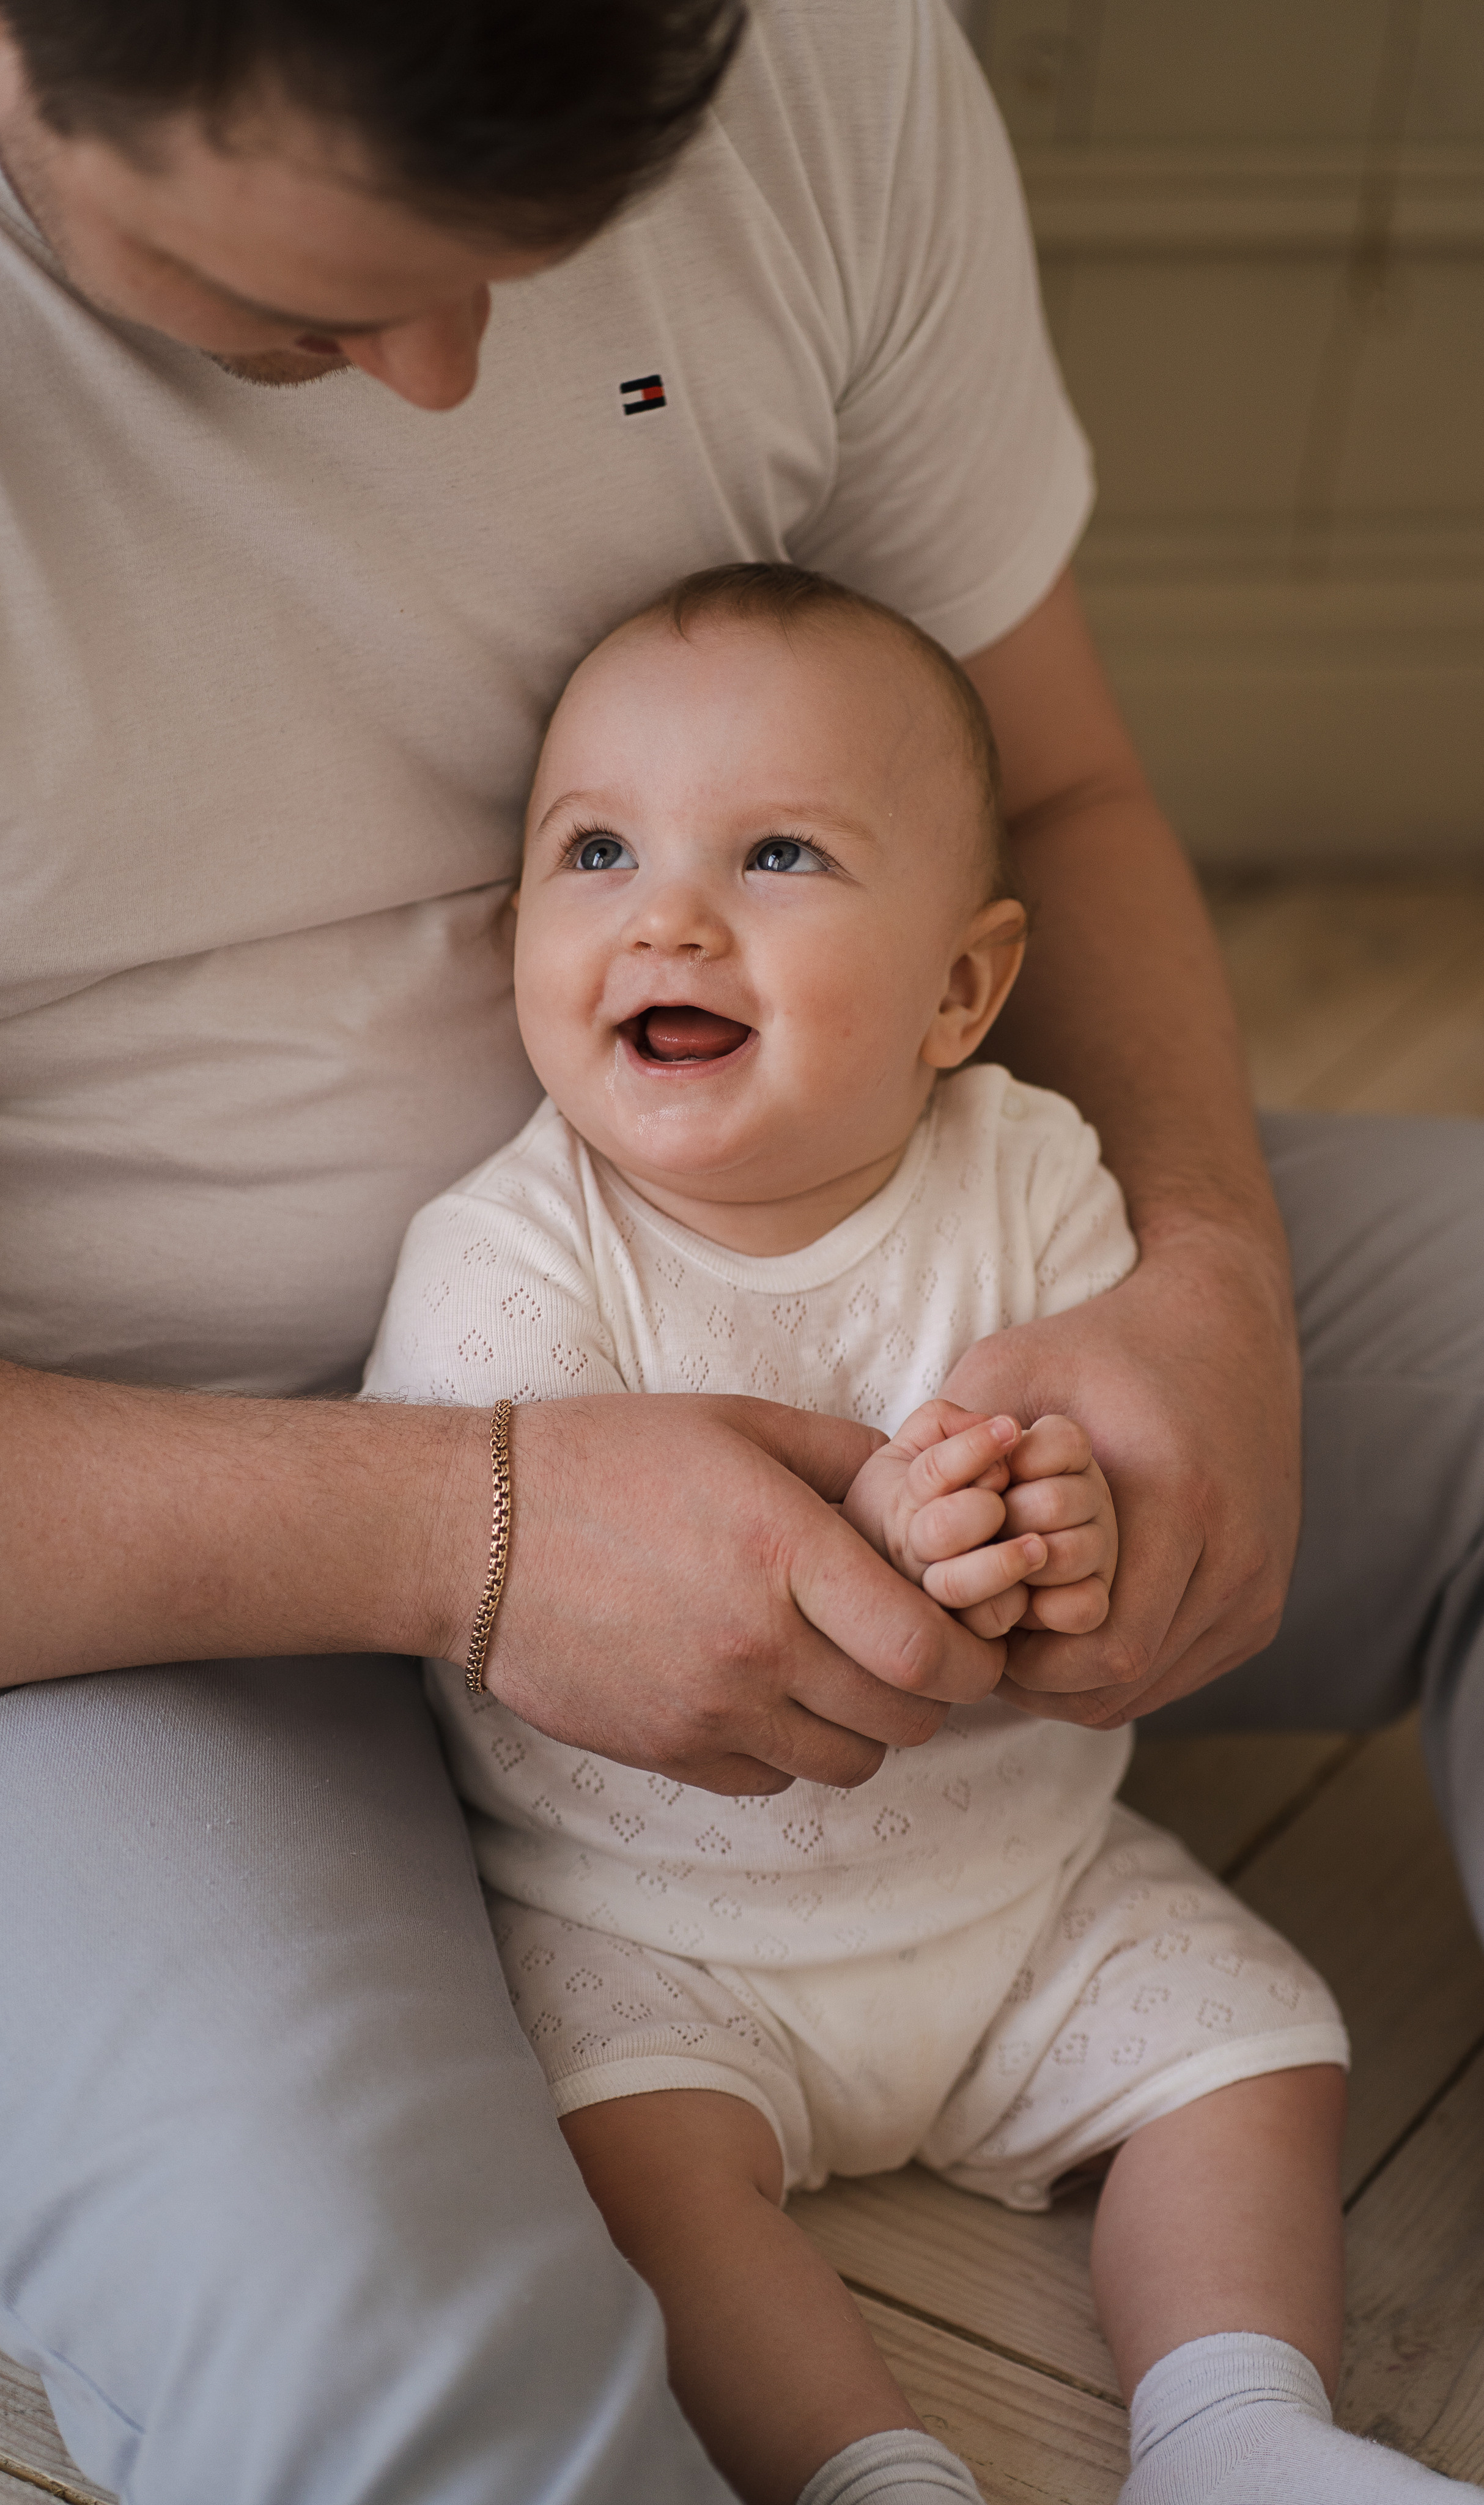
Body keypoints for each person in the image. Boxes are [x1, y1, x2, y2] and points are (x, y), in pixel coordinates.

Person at [2, 3, 1482, 2501]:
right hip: (116, 1569)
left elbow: (1065, 786)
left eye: (553, 257)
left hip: (885, 1289)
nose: (458, 378)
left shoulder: (814, 57)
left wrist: (1198, 1277)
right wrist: (465, 1528)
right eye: (319, 314)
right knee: (418, 2367)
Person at [363, 561, 1473, 2505]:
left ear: (962, 987)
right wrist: (870, 1544)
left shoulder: (1031, 1180)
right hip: (648, 1930)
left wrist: (1066, 1524)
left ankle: (1234, 2432)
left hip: (1018, 1884)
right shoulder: (505, 1264)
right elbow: (491, 1605)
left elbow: (1125, 1465)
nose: (670, 914)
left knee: (1257, 2061)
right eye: (597, 850)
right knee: (633, 2180)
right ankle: (865, 2472)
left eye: (776, 851)